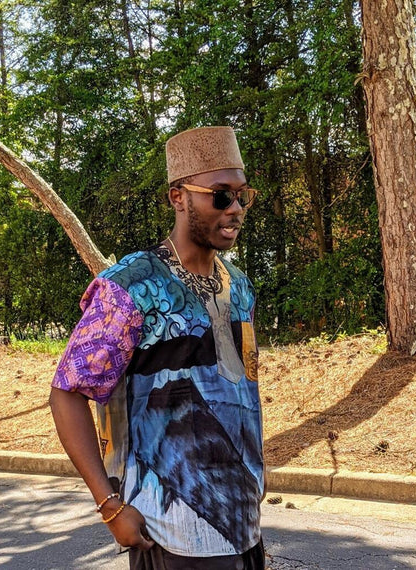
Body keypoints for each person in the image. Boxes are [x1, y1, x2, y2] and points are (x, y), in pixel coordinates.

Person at [49, 126, 265, 569]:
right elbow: (67, 392)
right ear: (178, 198)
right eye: (221, 196)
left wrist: (255, 475)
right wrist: (110, 506)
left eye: (243, 195)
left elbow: (243, 389)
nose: (235, 208)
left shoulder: (239, 285)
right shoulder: (130, 287)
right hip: (171, 533)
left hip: (244, 526)